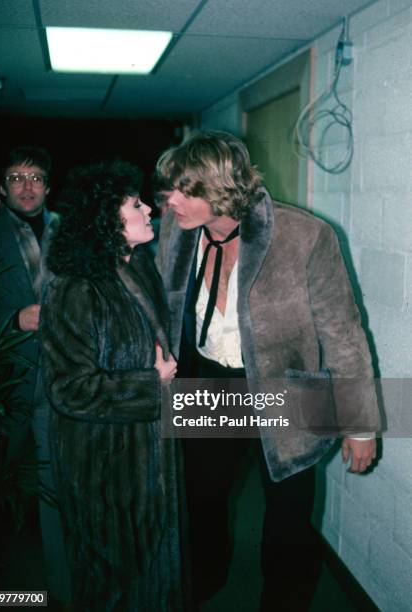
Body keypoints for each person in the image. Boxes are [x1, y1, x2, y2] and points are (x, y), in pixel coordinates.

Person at [155, 130, 380, 610]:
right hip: (208, 382)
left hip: (285, 391)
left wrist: (360, 424)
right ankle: (204, 580)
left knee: (288, 518)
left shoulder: (305, 236)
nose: (169, 199)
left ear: (220, 187)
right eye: (168, 188)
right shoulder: (175, 231)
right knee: (201, 500)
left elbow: (344, 333)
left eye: (183, 188)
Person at [40, 160, 188, 612]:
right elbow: (68, 389)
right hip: (103, 467)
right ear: (106, 218)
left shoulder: (136, 266)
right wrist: (149, 383)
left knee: (152, 574)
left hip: (148, 458)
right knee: (112, 582)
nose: (148, 209)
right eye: (136, 203)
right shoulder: (75, 288)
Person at [0, 145, 71, 607]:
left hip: (62, 378)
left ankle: (58, 586)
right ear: (2, 187)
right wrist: (13, 319)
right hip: (5, 383)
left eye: (36, 177)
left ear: (49, 186)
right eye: (16, 177)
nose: (27, 186)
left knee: (56, 481)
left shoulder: (70, 234)